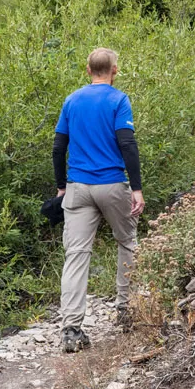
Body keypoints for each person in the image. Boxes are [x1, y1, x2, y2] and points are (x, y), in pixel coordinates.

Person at [53, 47, 145, 350]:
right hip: (111, 184)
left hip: (77, 186)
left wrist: (61, 187)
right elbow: (127, 144)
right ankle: (125, 309)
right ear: (114, 70)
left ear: (87, 69)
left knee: (76, 256)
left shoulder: (71, 100)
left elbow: (58, 148)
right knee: (127, 241)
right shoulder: (119, 100)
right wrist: (136, 188)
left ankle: (71, 329)